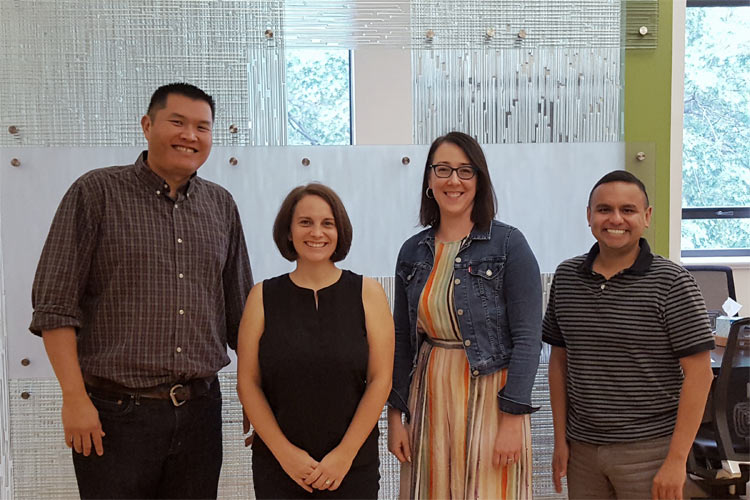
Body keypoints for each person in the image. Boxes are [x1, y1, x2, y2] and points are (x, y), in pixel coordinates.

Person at [29, 82, 253, 499]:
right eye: (178, 122)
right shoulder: (95, 193)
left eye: (203, 127)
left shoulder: (221, 205)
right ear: (147, 125)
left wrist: (260, 397)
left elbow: (243, 316)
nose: (190, 135)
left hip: (201, 411)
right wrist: (74, 399)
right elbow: (55, 306)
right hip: (115, 414)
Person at [387, 131, 542, 499]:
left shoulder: (508, 245)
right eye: (442, 169)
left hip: (492, 398)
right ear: (428, 179)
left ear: (479, 179)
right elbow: (401, 339)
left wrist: (512, 420)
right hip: (429, 396)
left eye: (464, 171)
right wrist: (396, 416)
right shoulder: (413, 251)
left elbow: (528, 338)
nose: (453, 180)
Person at [543, 170, 715, 500]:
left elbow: (700, 375)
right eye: (604, 209)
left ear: (646, 217)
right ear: (589, 216)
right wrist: (560, 439)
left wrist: (677, 461)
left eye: (628, 210)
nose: (615, 219)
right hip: (583, 452)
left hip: (650, 452)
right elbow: (559, 364)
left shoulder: (672, 283)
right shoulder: (566, 278)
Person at [236, 183, 394, 499]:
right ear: (289, 231)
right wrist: (285, 454)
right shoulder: (261, 297)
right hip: (279, 465)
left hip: (351, 465)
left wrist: (344, 455)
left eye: (327, 223)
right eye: (305, 222)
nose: (316, 232)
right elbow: (248, 383)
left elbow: (380, 381)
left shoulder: (368, 294)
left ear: (340, 231)